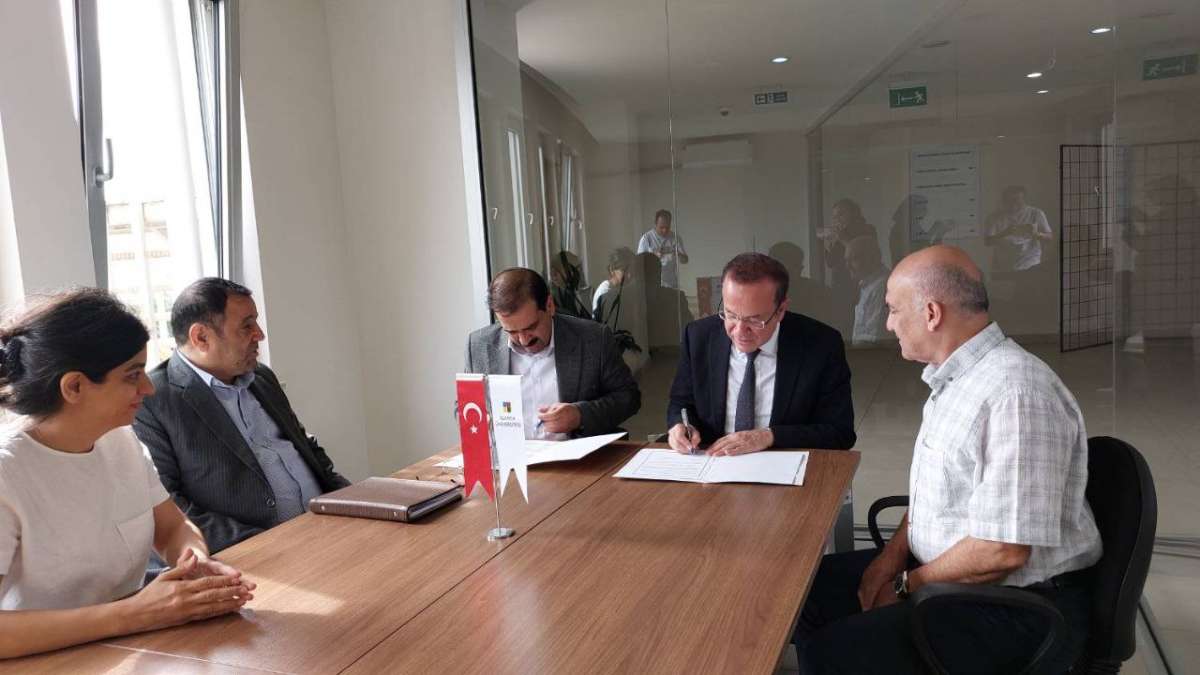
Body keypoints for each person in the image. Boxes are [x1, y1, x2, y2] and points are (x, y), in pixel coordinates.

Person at [794, 245, 1101, 674]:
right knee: (803, 594)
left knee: (833, 654)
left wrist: (904, 586)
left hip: (1015, 606)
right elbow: (937, 496)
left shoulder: (1015, 392)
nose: (888, 323)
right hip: (947, 572)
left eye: (893, 310)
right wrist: (891, 557)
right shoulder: (958, 380)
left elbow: (1002, 551)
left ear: (931, 313)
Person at [0, 289, 254, 659]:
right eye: (133, 375)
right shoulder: (6, 472)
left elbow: (172, 528)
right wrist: (134, 614)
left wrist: (193, 562)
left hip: (133, 648)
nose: (148, 388)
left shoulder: (120, 439)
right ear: (74, 386)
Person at [133, 278, 350, 554]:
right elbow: (170, 506)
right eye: (247, 326)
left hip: (330, 528)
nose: (260, 335)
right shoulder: (152, 400)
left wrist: (353, 500)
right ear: (201, 337)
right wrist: (267, 545)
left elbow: (306, 447)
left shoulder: (262, 377)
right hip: (261, 554)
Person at [666, 253, 855, 455]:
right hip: (713, 461)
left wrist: (769, 436)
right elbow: (681, 403)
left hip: (783, 462)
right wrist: (679, 425)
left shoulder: (822, 345)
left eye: (754, 320)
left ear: (781, 310)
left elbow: (840, 432)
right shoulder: (699, 337)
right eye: (730, 315)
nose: (739, 331)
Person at [464, 268, 641, 440]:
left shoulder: (593, 339)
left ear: (549, 306)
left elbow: (628, 397)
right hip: (511, 456)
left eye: (531, 327)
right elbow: (465, 407)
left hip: (577, 455)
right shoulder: (479, 346)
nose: (524, 340)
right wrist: (481, 420)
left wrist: (579, 415)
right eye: (511, 331)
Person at [983, 185, 1052, 274]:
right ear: (1004, 201)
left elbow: (1049, 237)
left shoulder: (1036, 213)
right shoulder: (994, 217)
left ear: (1024, 199)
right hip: (1005, 264)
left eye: (1017, 200)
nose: (1013, 204)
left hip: (1030, 262)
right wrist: (1005, 233)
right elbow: (988, 242)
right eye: (1009, 201)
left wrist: (1036, 234)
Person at [845, 235, 891, 345]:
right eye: (846, 260)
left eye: (854, 259)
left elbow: (872, 339)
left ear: (873, 257)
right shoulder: (868, 285)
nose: (847, 266)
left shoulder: (881, 287)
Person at [636, 209, 689, 289]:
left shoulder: (675, 238)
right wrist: (653, 255)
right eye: (661, 227)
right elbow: (638, 263)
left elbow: (685, 260)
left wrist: (677, 253)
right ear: (655, 224)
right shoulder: (646, 238)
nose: (664, 230)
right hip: (652, 285)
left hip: (671, 284)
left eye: (667, 227)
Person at [592, 247, 634, 318]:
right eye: (624, 270)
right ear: (612, 270)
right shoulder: (605, 293)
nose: (629, 275)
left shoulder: (623, 288)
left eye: (631, 270)